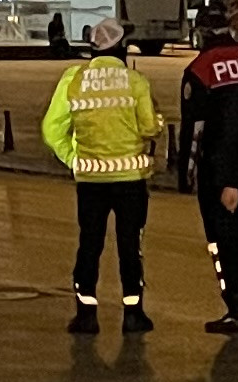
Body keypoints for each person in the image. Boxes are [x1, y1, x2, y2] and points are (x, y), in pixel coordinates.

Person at [43, 25, 166, 335]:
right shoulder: (134, 81)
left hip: (90, 183)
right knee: (129, 246)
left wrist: (72, 158)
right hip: (130, 181)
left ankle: (86, 314)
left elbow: (51, 128)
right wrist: (158, 122)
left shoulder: (74, 80)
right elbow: (150, 127)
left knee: (89, 244)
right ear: (121, 47)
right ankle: (133, 313)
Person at [177, 0, 238, 334]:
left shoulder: (200, 70)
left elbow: (196, 129)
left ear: (202, 33)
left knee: (223, 240)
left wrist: (184, 173)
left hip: (220, 169)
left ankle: (236, 306)